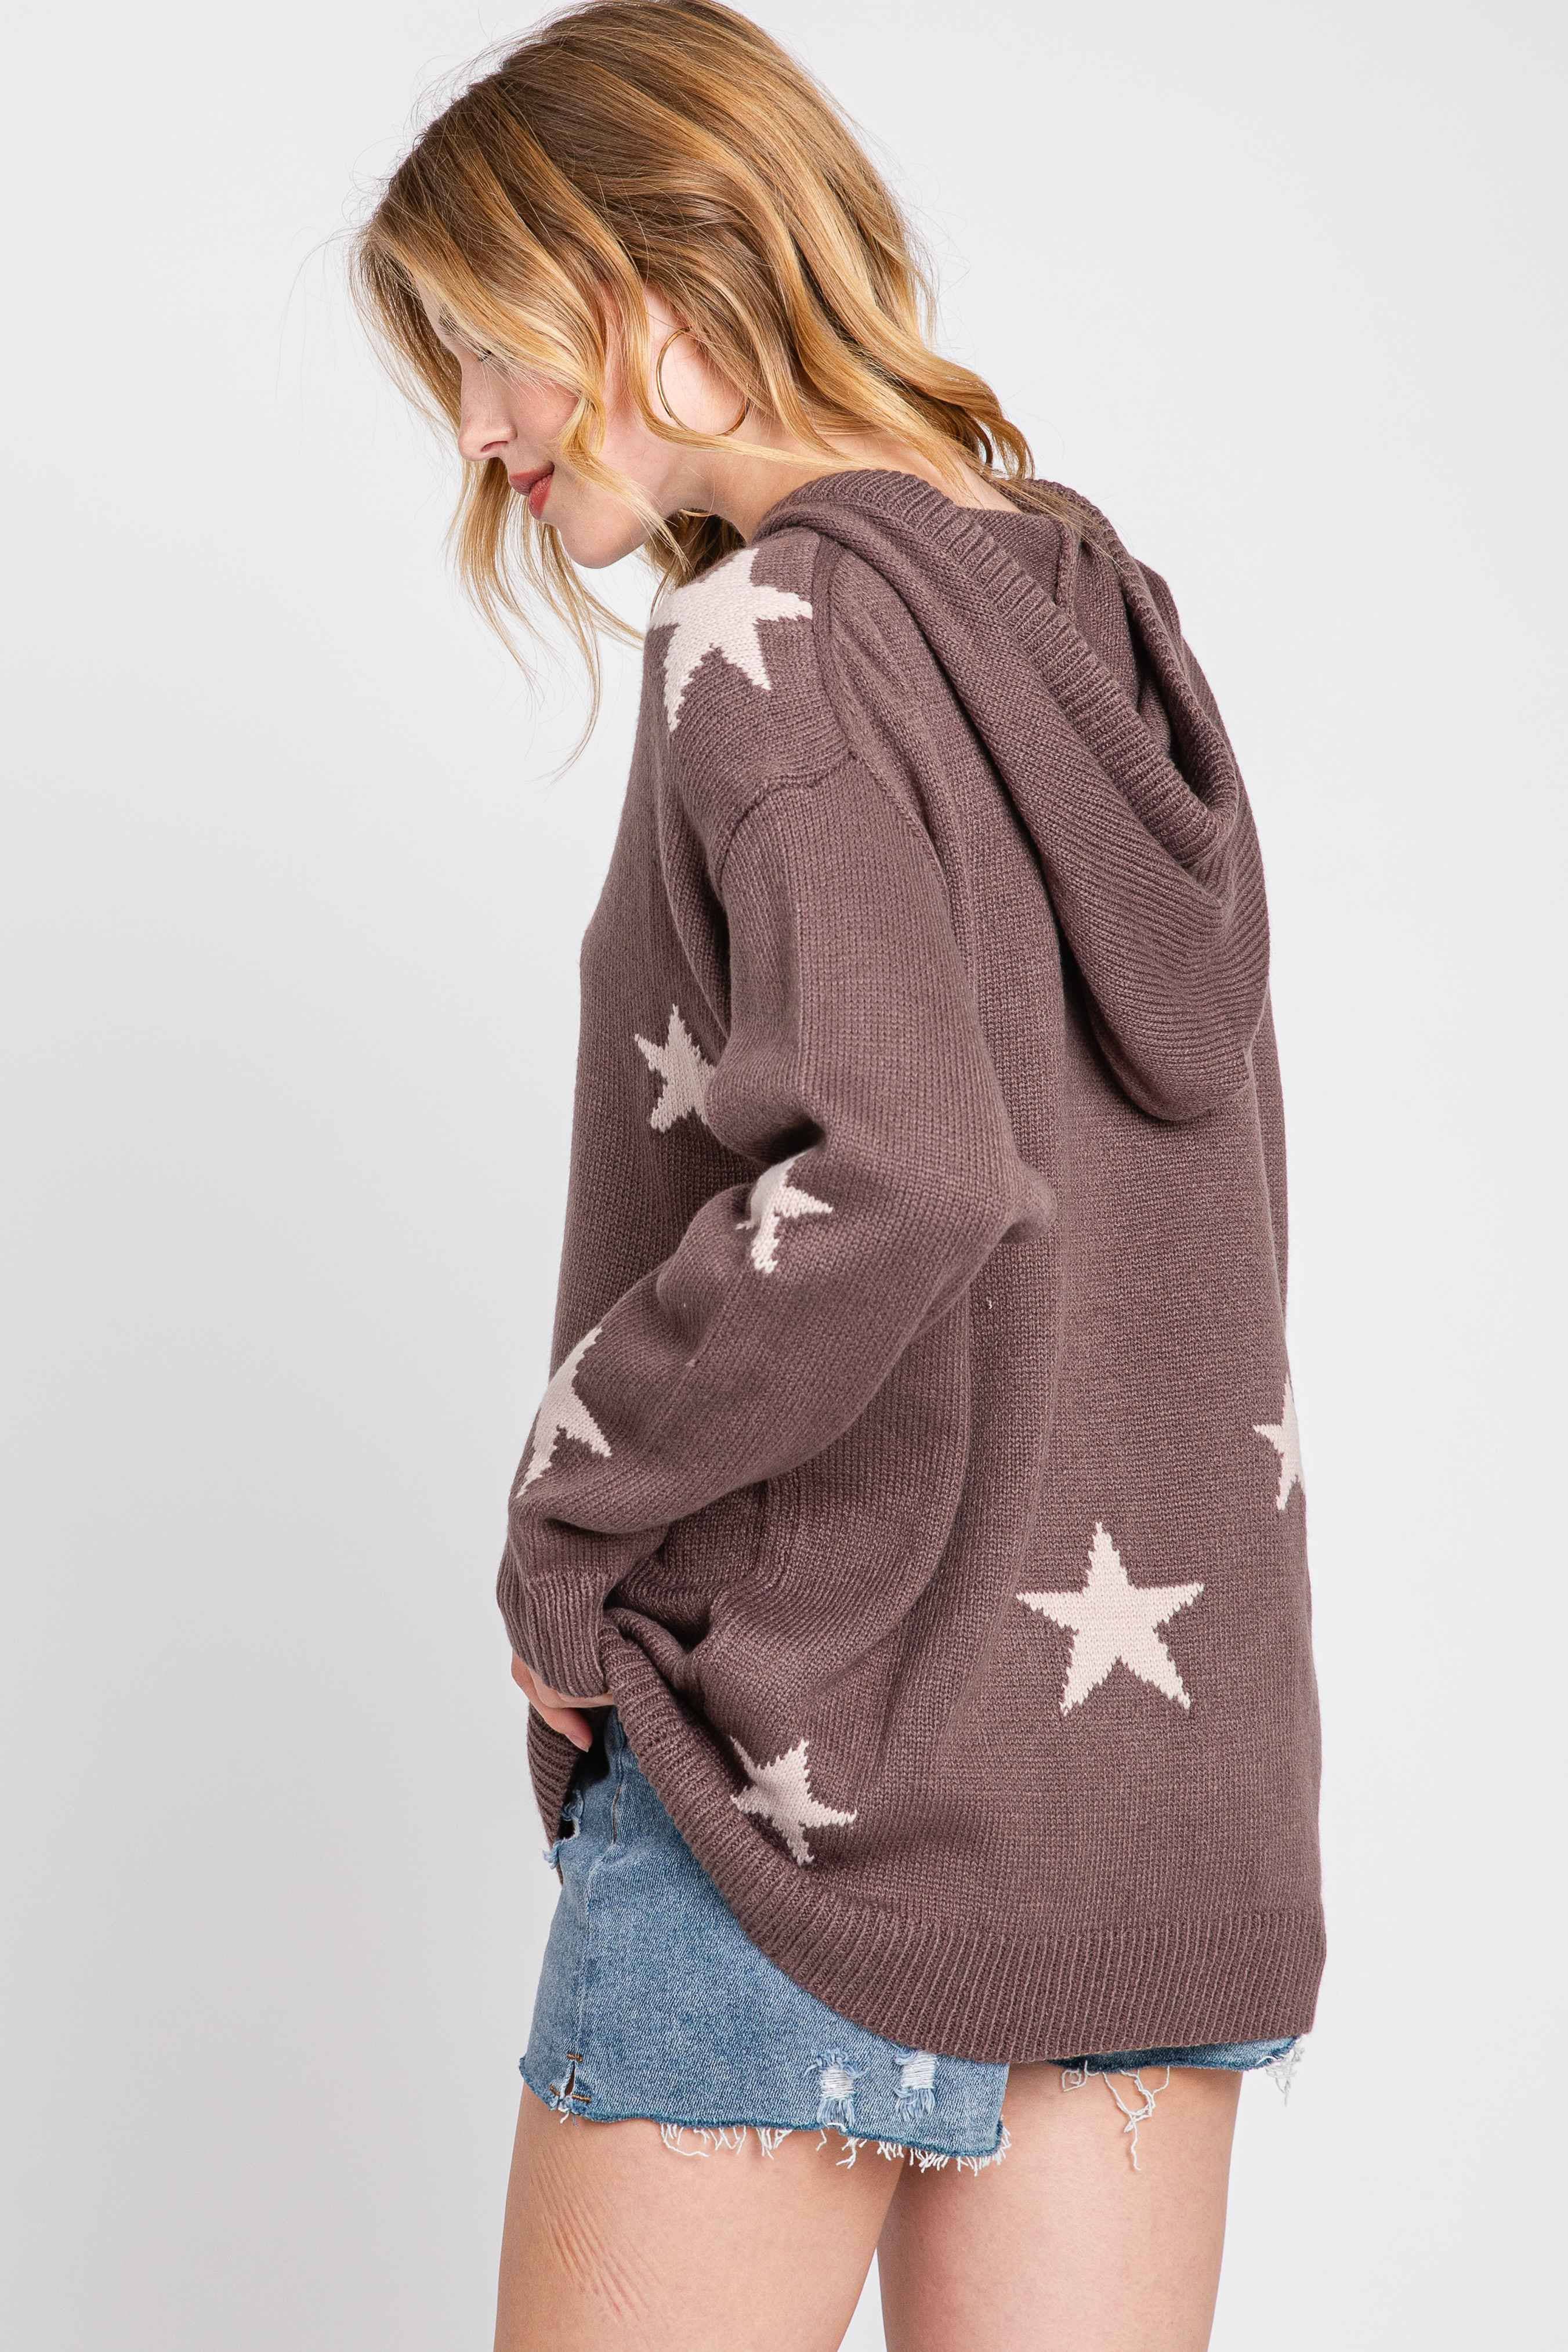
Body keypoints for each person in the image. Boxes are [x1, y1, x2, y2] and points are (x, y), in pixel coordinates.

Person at [349, 4, 1324, 2344]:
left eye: (486, 346)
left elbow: (899, 1176)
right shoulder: (1097, 622)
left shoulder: (762, 639)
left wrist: (566, 1524)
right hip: (1150, 1824)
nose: (474, 428)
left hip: (807, 1791)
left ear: (650, 287)